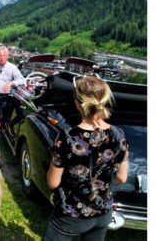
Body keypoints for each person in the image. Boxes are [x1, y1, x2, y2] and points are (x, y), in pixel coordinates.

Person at [43, 75, 129, 241]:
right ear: (104, 100)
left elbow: (52, 182)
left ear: (77, 102)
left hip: (70, 215)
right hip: (102, 214)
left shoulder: (68, 137)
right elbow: (122, 178)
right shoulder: (119, 134)